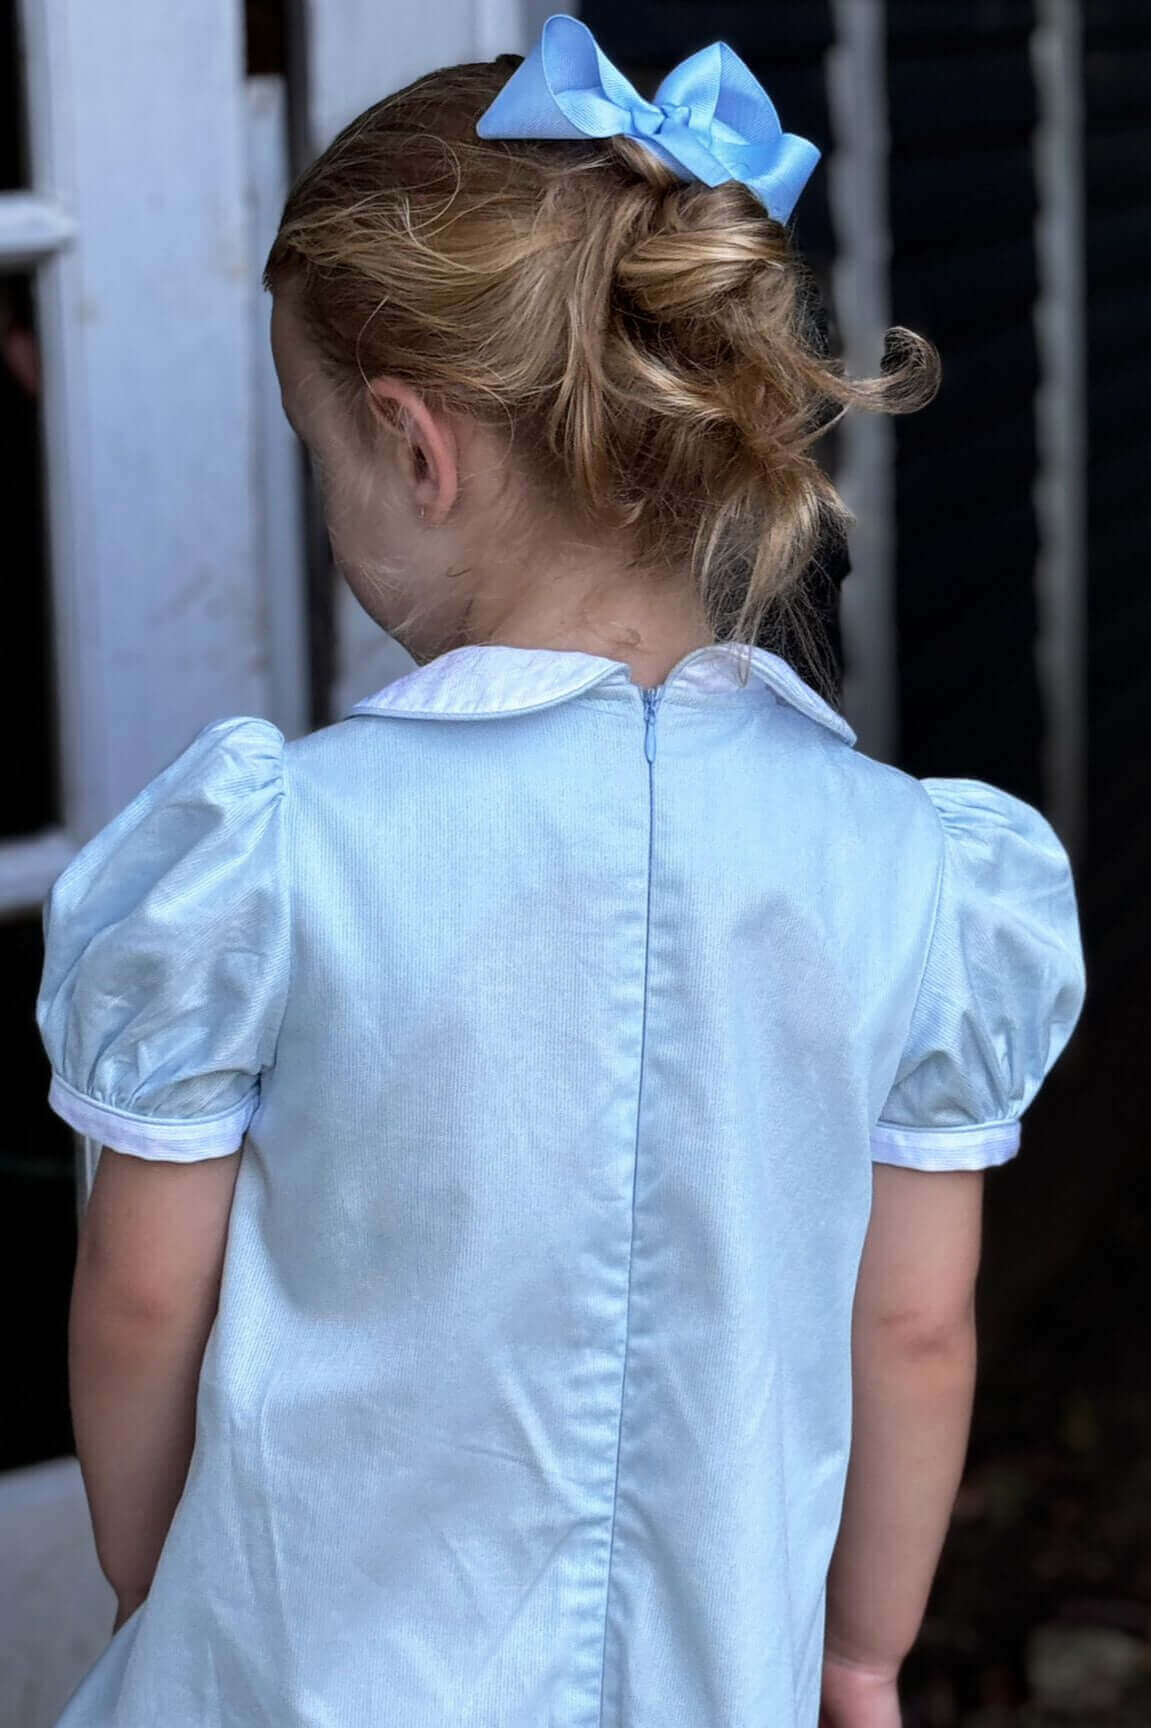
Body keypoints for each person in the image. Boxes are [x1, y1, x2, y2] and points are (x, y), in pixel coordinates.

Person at [35, 17, 1086, 1728]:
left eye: (320, 459)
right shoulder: (916, 870)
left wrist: (160, 1586)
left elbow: (145, 1286)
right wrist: (862, 1654)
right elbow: (911, 1335)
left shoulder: (272, 856)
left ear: (414, 447)